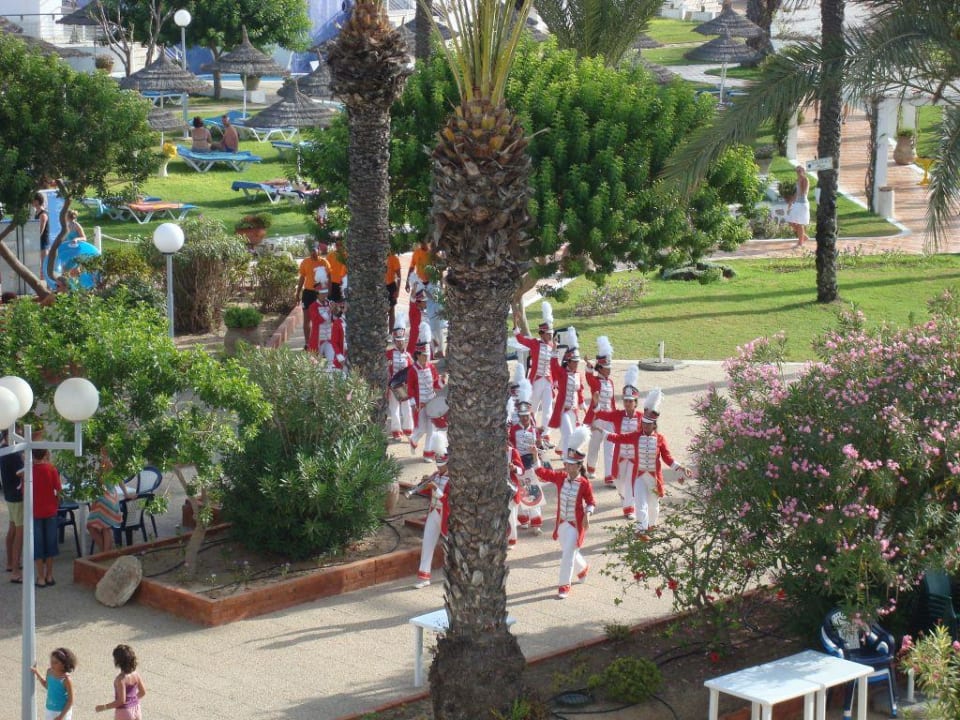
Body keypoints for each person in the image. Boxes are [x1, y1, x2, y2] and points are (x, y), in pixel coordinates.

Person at [605, 387, 691, 538]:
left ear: (654, 425)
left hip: (653, 478)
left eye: (648, 425)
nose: (644, 427)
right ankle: (641, 530)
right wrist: (605, 434)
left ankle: (651, 526)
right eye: (643, 424)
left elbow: (667, 458)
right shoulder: (636, 436)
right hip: (639, 477)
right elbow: (620, 438)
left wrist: (680, 467)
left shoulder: (660, 439)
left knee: (653, 506)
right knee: (640, 505)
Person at [535, 426, 595, 599]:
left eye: (569, 464)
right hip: (561, 524)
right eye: (566, 463)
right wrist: (534, 456)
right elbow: (543, 473)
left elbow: (591, 502)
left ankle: (564, 586)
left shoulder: (584, 483)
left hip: (575, 525)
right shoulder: (561, 478)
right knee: (570, 552)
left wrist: (588, 515)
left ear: (578, 465)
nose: (566, 466)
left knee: (567, 554)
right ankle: (583, 569)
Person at [593, 366, 645, 520]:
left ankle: (629, 509)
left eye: (631, 401)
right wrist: (596, 404)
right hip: (620, 455)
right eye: (626, 401)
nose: (628, 404)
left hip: (634, 457)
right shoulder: (617, 415)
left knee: (630, 482)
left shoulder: (643, 418)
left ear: (636, 402)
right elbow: (602, 414)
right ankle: (625, 498)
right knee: (618, 481)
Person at [512, 301, 557, 449]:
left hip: (548, 381)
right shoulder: (535, 344)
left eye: (551, 334)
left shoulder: (553, 347)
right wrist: (515, 323)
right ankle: (533, 434)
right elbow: (520, 339)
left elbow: (555, 366)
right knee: (533, 408)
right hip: (536, 381)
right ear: (542, 333)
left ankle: (545, 435)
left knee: (548, 409)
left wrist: (555, 382)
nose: (550, 336)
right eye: (548, 334)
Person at [413, 436, 449, 588]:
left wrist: (435, 488)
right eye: (438, 464)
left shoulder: (453, 479)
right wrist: (424, 484)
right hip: (433, 512)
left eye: (442, 465)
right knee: (427, 543)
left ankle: (451, 575)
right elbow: (430, 494)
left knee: (450, 547)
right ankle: (424, 576)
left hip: (446, 514)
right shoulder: (436, 475)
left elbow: (449, 498)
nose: (439, 467)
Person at [86, 450, 135, 556]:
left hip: (104, 498)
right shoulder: (111, 463)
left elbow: (100, 485)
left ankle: (104, 554)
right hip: (113, 497)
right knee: (105, 528)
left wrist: (94, 500)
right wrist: (126, 494)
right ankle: (105, 553)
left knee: (96, 526)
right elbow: (120, 481)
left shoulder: (103, 464)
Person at [406, 322, 443, 461]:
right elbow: (410, 388)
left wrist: (442, 381)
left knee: (432, 429)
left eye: (428, 355)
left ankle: (428, 453)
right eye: (424, 355)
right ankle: (413, 440)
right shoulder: (412, 370)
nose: (426, 358)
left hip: (431, 402)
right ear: (418, 355)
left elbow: (435, 384)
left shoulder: (431, 368)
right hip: (420, 404)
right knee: (421, 429)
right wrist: (413, 404)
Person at [548, 326, 584, 462]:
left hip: (574, 411)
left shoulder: (578, 375)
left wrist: (582, 403)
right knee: (568, 433)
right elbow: (553, 366)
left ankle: (560, 449)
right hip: (564, 410)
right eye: (574, 362)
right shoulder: (562, 373)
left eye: (577, 362)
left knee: (573, 434)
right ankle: (566, 460)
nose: (576, 364)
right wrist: (554, 350)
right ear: (568, 362)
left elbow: (580, 390)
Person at [27, 447, 62, 587]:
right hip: (50, 511)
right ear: (46, 453)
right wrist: (57, 503)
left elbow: (25, 492)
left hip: (35, 512)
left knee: (38, 544)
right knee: (50, 543)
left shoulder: (29, 471)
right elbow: (59, 490)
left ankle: (40, 576)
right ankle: (49, 575)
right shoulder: (51, 469)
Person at [584, 336, 616, 485]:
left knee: (610, 447)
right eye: (607, 368)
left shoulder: (611, 382)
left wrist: (616, 418)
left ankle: (609, 476)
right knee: (594, 445)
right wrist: (589, 366)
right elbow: (588, 377)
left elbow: (612, 402)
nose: (609, 370)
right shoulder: (595, 381)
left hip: (609, 418)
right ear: (601, 368)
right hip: (597, 418)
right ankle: (590, 468)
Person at [295, 242, 331, 350]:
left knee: (322, 319)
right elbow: (302, 277)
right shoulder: (305, 262)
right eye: (311, 251)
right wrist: (298, 293)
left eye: (315, 251)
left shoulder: (324, 262)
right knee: (307, 319)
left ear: (319, 251)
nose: (313, 253)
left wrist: (329, 291)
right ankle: (307, 344)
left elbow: (329, 277)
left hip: (320, 294)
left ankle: (323, 344)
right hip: (308, 293)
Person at [95, 644, 146, 719]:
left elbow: (121, 701)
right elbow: (143, 692)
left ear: (118, 662)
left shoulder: (120, 679)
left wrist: (103, 707)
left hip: (124, 712)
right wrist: (132, 700)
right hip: (136, 709)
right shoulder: (136, 674)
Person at [386, 311, 414, 441]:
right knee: (394, 409)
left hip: (404, 386)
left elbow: (412, 370)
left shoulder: (408, 355)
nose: (400, 343)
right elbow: (386, 369)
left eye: (402, 341)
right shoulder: (389, 354)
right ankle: (396, 430)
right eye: (398, 341)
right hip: (393, 386)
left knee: (407, 408)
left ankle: (408, 428)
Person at [1, 430, 24, 583]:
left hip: (9, 495)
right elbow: (21, 473)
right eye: (19, 434)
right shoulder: (13, 454)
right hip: (17, 496)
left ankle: (10, 563)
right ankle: (15, 571)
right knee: (19, 534)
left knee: (12, 529)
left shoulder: (3, 449)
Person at [33, 647, 76, 720]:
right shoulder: (49, 672)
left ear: (64, 664)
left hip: (62, 712)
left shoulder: (66, 680)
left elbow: (70, 701)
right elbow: (47, 686)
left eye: (56, 662)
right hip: (50, 709)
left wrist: (61, 717)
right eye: (51, 661)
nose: (52, 664)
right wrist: (37, 673)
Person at [786, 165, 810, 247]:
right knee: (790, 221)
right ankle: (804, 236)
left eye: (800, 171)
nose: (798, 172)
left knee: (799, 223)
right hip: (797, 204)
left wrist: (799, 183)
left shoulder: (805, 179)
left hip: (802, 204)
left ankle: (800, 243)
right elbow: (796, 194)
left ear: (803, 171)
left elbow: (804, 192)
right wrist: (790, 203)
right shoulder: (797, 180)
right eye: (797, 171)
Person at [385, 248, 401, 333]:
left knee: (391, 310)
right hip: (380, 287)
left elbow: (399, 276)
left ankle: (391, 333)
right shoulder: (377, 258)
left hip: (391, 286)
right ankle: (382, 333)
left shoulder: (394, 259)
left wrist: (398, 290)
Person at [33, 193, 50, 271]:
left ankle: (46, 282)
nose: (32, 202)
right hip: (37, 241)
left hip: (43, 242)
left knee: (44, 265)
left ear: (37, 201)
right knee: (38, 265)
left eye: (33, 201)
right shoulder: (36, 212)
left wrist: (33, 240)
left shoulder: (43, 214)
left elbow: (40, 231)